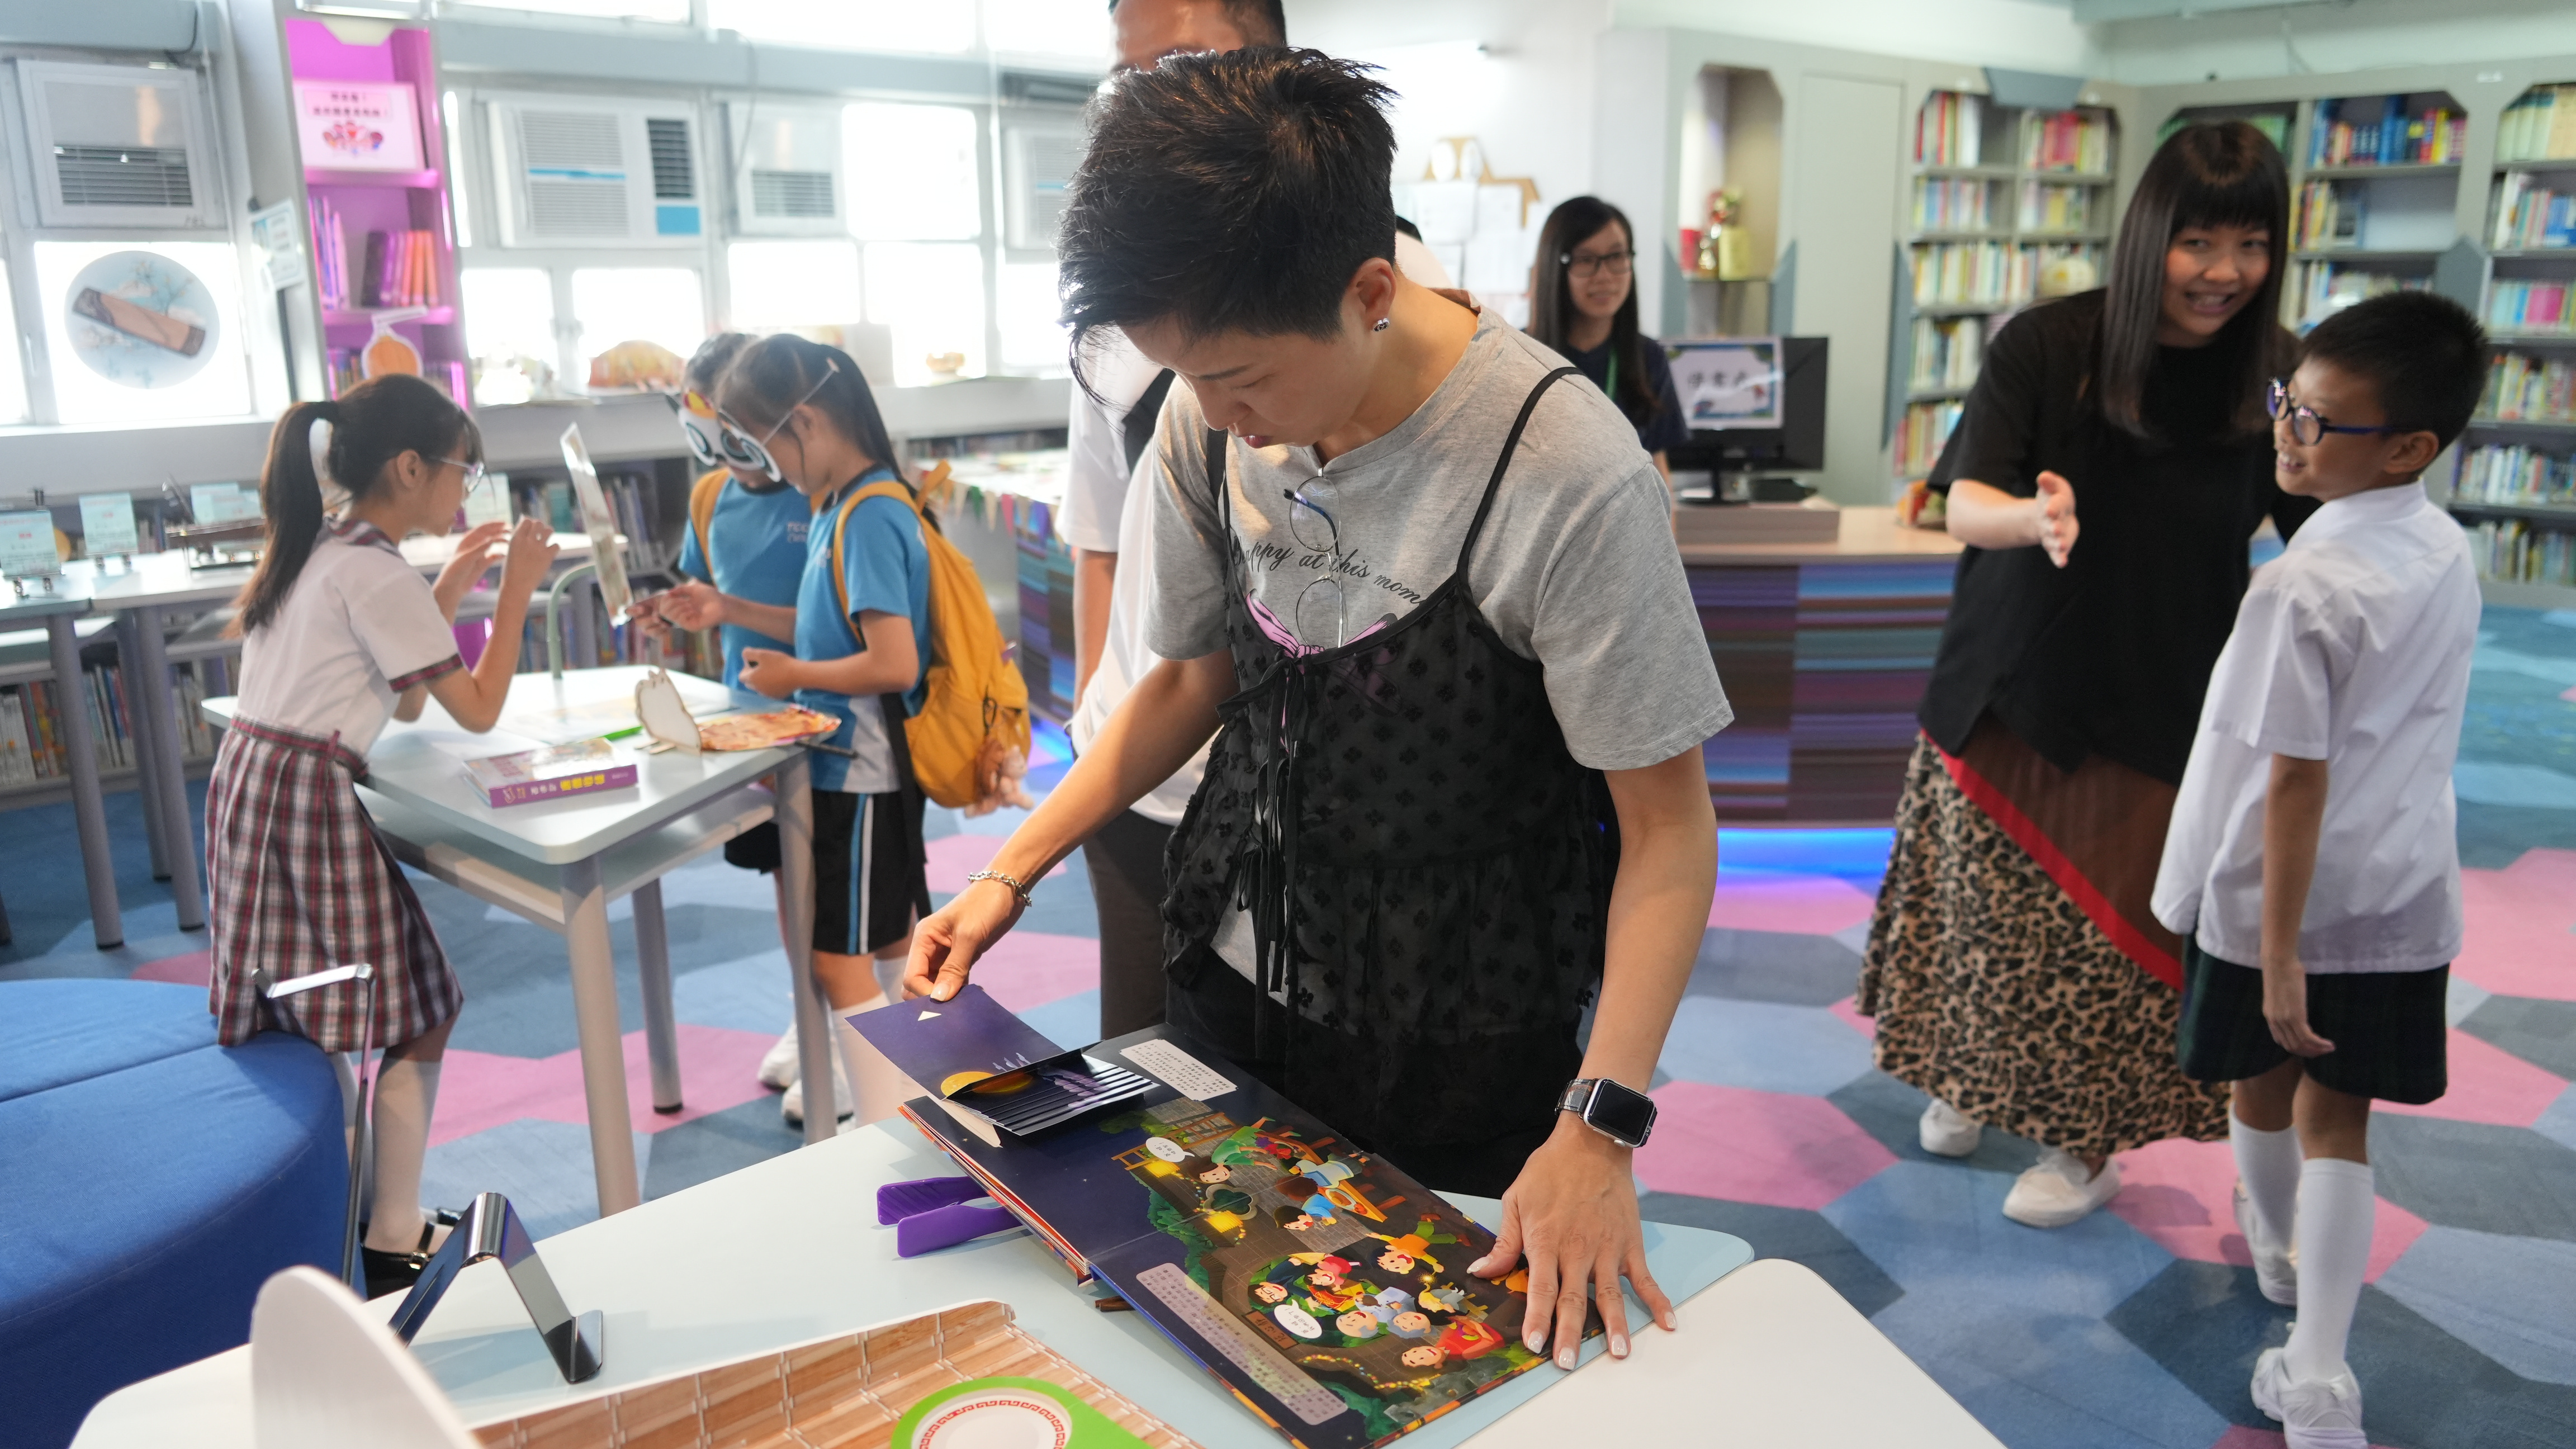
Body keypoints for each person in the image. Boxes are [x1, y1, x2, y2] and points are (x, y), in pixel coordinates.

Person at [910, 50, 1727, 1370]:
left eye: (1239, 377)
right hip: (1231, 972)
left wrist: (1599, 1127)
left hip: (1462, 1018)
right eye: (1185, 376)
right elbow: (1191, 678)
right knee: (1213, 1320)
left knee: (1425, 1368)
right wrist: (1013, 867)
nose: (1214, 414)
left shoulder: (1564, 470)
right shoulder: (1205, 416)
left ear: (1369, 293)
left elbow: (1671, 835)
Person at [1857, 120, 2316, 1228]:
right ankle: (1970, 1080)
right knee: (1981, 920)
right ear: (2150, 234)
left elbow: (2318, 520)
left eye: (2250, 244)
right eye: (2197, 241)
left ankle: (2083, 1144)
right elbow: (1964, 500)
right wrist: (2031, 517)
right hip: (2010, 677)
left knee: (2112, 939)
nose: (2222, 272)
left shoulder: (2275, 373)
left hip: (2163, 694)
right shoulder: (2048, 344)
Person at [1068, 0, 1457, 1039]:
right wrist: (1090, 714)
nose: (1148, 100)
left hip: (1312, 795)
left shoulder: (1386, 290)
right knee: (1145, 1079)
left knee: (1302, 1087)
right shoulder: (1126, 298)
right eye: (1129, 75)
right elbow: (1098, 529)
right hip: (1137, 753)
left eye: (1178, 62)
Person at [2151, 292, 2484, 1449]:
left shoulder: (2299, 584)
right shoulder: (2445, 547)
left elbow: (2291, 778)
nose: (2286, 432)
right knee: (2341, 1118)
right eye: (2287, 402)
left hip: (2278, 895)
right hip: (2401, 881)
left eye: (2317, 421)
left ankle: (2281, 1263)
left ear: (2407, 447)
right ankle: (2318, 1368)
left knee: (2258, 1082)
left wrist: (2282, 953)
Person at [206, 375, 557, 1296]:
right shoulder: (375, 570)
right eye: (462, 472)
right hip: (303, 801)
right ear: (410, 467)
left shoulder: (324, 545)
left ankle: (366, 1215)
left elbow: (400, 698)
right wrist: (514, 594)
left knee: (322, 1009)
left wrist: (452, 585)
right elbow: (475, 710)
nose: (465, 494)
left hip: (254, 786)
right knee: (418, 1007)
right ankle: (392, 1232)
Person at [722, 334, 934, 1128]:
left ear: (804, 422)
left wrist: (795, 676)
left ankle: (888, 1129)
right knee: (879, 950)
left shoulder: (870, 513)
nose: (770, 469)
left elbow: (894, 662)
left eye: (764, 445)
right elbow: (830, 628)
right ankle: (903, 1116)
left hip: (862, 772)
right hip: (846, 768)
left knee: (839, 962)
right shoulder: (839, 507)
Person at [632, 333, 844, 1125]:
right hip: (752, 731)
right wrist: (679, 614)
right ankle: (809, 1010)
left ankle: (853, 1031)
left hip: (834, 726)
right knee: (789, 880)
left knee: (845, 888)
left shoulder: (818, 494)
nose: (728, 448)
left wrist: (730, 608)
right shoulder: (712, 497)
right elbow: (707, 592)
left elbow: (835, 621)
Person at [1523, 196, 1687, 475]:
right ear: (1555, 267)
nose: (1604, 276)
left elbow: (1657, 471)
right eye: (1586, 260)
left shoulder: (1648, 358)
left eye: (1616, 256)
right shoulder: (1518, 357)